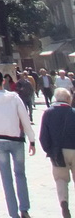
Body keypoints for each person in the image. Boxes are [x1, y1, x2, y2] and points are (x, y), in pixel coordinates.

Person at [0, 69, 35, 218]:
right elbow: (24, 118)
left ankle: (13, 213)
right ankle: (24, 209)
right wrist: (32, 140)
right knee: (20, 175)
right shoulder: (14, 97)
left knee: (6, 178)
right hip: (16, 139)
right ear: (3, 81)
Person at [40, 86, 75, 218]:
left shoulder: (48, 113)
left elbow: (43, 136)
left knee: (61, 179)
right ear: (67, 99)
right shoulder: (73, 112)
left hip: (58, 152)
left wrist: (49, 151)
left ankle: (64, 202)